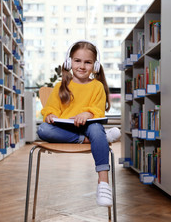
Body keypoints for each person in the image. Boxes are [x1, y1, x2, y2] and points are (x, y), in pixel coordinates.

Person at [37, 40, 119, 207]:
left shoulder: (97, 86)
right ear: (69, 62)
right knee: (44, 129)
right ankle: (96, 140)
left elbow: (98, 110)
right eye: (77, 61)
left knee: (96, 129)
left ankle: (103, 182)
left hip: (89, 125)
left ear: (95, 66)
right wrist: (50, 114)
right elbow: (51, 108)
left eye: (88, 62)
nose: (82, 66)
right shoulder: (61, 86)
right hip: (64, 128)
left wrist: (87, 113)